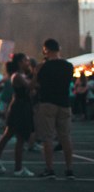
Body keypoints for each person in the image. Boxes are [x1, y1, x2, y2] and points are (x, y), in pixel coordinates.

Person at [33, 38, 75, 179]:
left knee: (48, 138)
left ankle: (50, 169)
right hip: (64, 103)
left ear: (46, 50)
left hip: (47, 103)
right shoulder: (69, 66)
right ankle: (69, 170)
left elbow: (35, 85)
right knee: (65, 138)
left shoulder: (42, 67)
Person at [0, 54, 34, 176]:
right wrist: (37, 73)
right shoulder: (17, 75)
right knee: (20, 137)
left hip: (20, 106)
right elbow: (30, 86)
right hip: (19, 107)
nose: (28, 62)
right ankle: (18, 168)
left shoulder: (21, 75)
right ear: (20, 62)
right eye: (26, 60)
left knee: (8, 134)